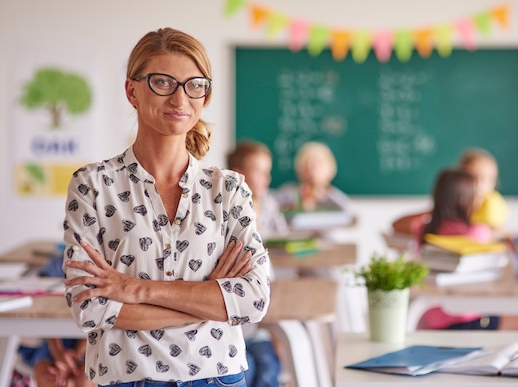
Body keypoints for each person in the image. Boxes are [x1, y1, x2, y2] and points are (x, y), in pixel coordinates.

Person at [62, 27, 270, 387]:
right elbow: (89, 306)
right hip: (128, 379)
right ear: (132, 91)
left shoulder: (230, 189)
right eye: (163, 82)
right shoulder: (92, 185)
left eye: (194, 85)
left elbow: (252, 301)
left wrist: (134, 289)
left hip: (219, 378)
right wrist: (209, 301)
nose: (179, 98)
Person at [408, 168, 518, 330]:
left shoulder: (421, 229)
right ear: (466, 200)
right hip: (467, 319)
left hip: (428, 318)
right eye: (476, 196)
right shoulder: (477, 232)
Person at [226, 140, 285, 387]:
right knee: (246, 371)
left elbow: (283, 238)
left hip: (260, 320)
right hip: (235, 326)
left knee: (269, 367)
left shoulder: (268, 204)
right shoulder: (226, 207)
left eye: (267, 172)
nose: (265, 179)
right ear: (239, 174)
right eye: (258, 171)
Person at [17, 251, 95, 387]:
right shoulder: (64, 262)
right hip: (63, 339)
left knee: (83, 378)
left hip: (85, 340)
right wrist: (60, 352)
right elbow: (45, 302)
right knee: (53, 376)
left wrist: (67, 353)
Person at [273, 141, 351, 213]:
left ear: (330, 170)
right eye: (306, 165)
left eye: (316, 165)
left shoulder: (335, 197)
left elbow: (349, 213)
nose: (310, 170)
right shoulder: (287, 193)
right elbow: (271, 210)